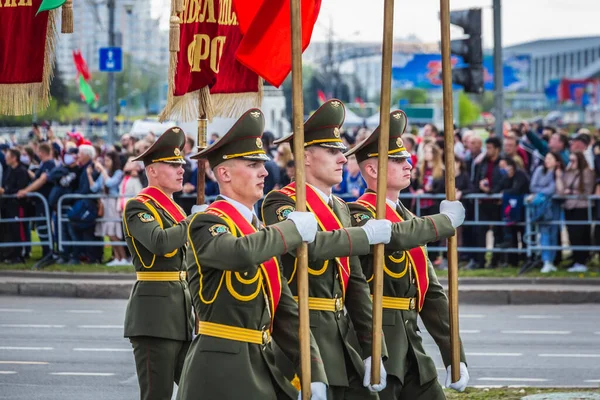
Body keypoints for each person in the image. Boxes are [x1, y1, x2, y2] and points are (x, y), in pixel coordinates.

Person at [179, 109, 327, 400]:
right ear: (224, 173)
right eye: (252, 164)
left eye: (263, 163)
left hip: (261, 366)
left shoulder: (258, 229)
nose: (263, 171)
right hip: (219, 371)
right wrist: (291, 229)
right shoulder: (207, 222)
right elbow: (238, 253)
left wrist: (313, 372)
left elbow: (287, 313)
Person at [262, 99, 391, 399]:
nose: (344, 159)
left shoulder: (341, 208)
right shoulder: (281, 202)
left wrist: (373, 347)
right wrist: (365, 235)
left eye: (342, 151)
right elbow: (311, 246)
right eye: (333, 151)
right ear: (306, 157)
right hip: (305, 334)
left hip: (342, 335)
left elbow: (356, 284)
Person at [345, 110, 469, 399]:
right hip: (380, 343)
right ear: (373, 170)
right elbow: (394, 237)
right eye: (397, 160)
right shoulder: (359, 215)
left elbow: (432, 293)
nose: (408, 163)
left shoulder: (408, 218)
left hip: (412, 346)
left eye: (406, 158)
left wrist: (454, 354)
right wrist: (443, 222)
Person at [122, 127, 194, 400]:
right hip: (153, 317)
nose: (180, 170)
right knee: (157, 395)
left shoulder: (175, 209)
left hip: (181, 315)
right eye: (172, 164)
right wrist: (191, 223)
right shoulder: (139, 206)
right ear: (152, 171)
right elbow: (160, 242)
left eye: (181, 164)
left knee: (197, 389)